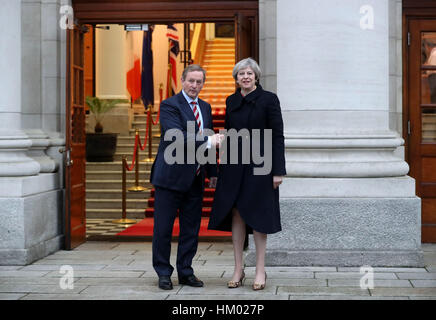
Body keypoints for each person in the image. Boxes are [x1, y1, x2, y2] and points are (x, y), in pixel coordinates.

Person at [208, 58, 286, 290]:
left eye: (249, 73)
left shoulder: (269, 99)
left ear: (256, 77)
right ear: (236, 77)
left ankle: (260, 270)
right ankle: (238, 269)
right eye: (241, 73)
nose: (245, 77)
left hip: (261, 166)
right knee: (237, 214)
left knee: (260, 216)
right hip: (234, 166)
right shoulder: (231, 100)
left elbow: (277, 136)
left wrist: (278, 171)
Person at [150, 64, 224, 290]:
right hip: (170, 178)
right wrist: (209, 142)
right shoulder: (169, 105)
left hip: (195, 178)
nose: (194, 86)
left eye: (199, 82)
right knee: (163, 229)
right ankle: (163, 272)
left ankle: (185, 271)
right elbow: (176, 137)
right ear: (182, 80)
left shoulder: (205, 107)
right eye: (191, 81)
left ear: (203, 84)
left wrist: (212, 171)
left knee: (190, 229)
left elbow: (209, 139)